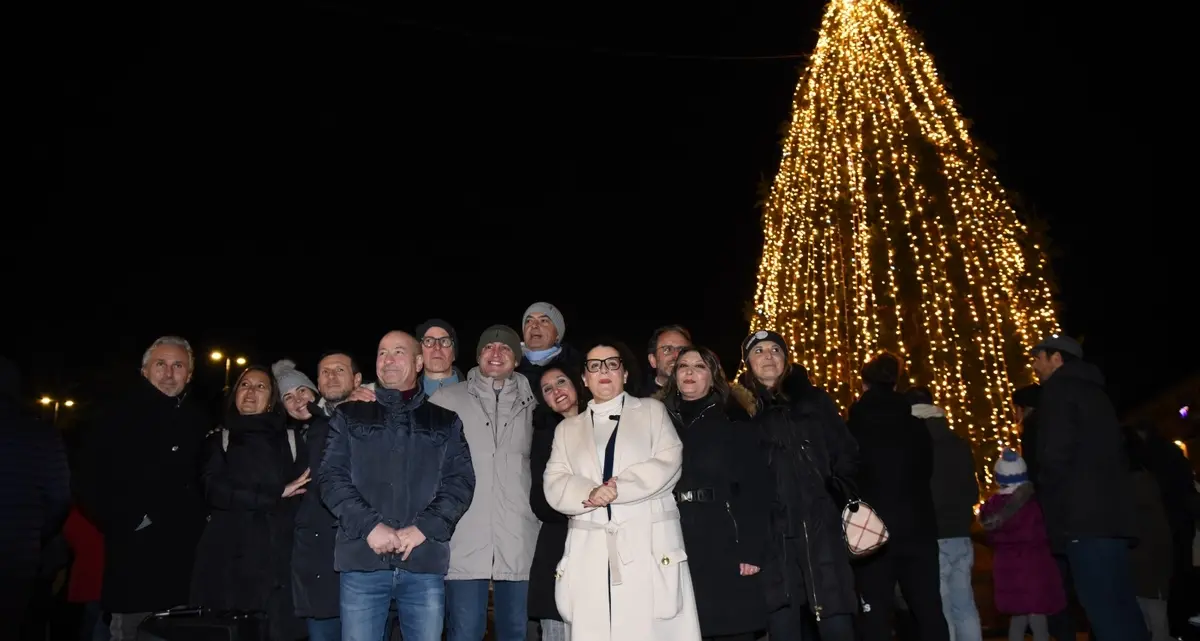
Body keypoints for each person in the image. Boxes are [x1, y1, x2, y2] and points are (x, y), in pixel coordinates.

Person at [319, 330, 475, 641]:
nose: (389, 360)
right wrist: (370, 527)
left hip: (423, 563)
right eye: (382, 352)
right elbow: (330, 477)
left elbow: (460, 483)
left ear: (419, 362)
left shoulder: (445, 420)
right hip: (362, 560)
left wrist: (423, 529)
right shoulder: (348, 415)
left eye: (399, 352)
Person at [542, 340, 701, 641]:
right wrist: (590, 491)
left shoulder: (652, 412)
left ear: (625, 374)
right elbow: (554, 480)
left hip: (646, 545)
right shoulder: (567, 430)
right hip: (590, 552)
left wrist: (618, 488)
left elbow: (669, 460)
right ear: (585, 379)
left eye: (612, 364)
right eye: (595, 366)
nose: (604, 371)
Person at [735, 330, 858, 640]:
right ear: (748, 361)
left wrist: (836, 495)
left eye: (775, 350)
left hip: (820, 524)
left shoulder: (814, 400)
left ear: (786, 358)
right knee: (782, 621)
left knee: (835, 615)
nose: (768, 356)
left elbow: (846, 452)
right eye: (759, 350)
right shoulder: (738, 410)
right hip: (772, 532)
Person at [659, 346, 771, 641]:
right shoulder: (658, 420)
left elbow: (755, 488)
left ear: (713, 376)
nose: (690, 372)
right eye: (683, 366)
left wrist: (751, 549)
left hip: (723, 536)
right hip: (675, 536)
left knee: (729, 629)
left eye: (699, 366)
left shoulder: (733, 419)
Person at [190, 365, 309, 641]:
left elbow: (305, 491)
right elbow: (213, 490)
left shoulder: (291, 439)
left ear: (271, 399)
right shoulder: (219, 439)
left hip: (280, 561)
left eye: (260, 386)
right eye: (244, 385)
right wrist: (273, 495)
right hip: (228, 560)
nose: (251, 392)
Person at [528, 367, 589, 641]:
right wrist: (585, 501)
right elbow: (540, 501)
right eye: (548, 389)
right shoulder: (544, 435)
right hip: (558, 545)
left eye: (561, 382)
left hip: (604, 546)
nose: (557, 391)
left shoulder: (607, 423)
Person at [980, 449, 1065, 641]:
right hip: (1033, 568)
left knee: (1017, 616)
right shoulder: (1033, 506)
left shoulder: (992, 508)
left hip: (1007, 569)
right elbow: (1043, 534)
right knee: (1037, 616)